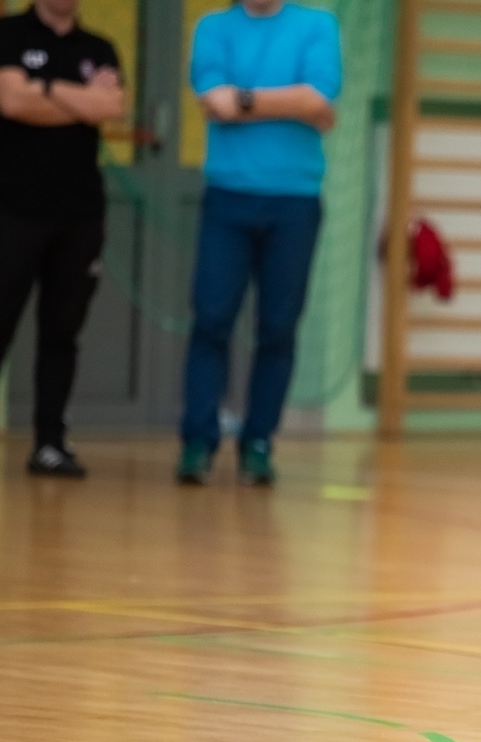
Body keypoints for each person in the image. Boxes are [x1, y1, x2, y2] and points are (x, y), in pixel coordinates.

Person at [175, 0, 340, 486]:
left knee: (279, 327)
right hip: (228, 197)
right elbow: (214, 102)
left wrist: (244, 100)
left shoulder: (317, 26)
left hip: (295, 200)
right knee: (211, 319)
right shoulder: (213, 28)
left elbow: (318, 100)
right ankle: (198, 441)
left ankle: (259, 441)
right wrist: (294, 104)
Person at [0, 0, 123, 478]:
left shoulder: (99, 48)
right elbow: (11, 102)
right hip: (15, 212)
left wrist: (45, 89)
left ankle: (50, 444)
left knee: (61, 332)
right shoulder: (7, 33)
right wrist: (80, 99)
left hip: (79, 215)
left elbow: (112, 107)